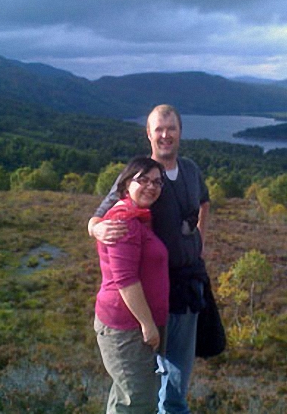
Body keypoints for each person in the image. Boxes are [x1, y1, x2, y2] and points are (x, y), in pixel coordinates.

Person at [88, 104, 210, 414]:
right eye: (159, 129)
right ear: (149, 134)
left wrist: (200, 241)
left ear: (180, 132)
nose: (165, 135)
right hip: (150, 293)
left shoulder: (192, 170)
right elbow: (101, 215)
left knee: (177, 375)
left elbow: (205, 202)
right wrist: (96, 227)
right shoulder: (140, 175)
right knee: (142, 380)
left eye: (171, 128)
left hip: (187, 287)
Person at [94, 156, 169, 414]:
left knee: (125, 395)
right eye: (143, 180)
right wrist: (148, 325)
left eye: (157, 182)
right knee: (138, 402)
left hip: (132, 325)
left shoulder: (139, 217)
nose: (151, 186)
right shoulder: (122, 220)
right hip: (126, 328)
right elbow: (126, 281)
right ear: (126, 185)